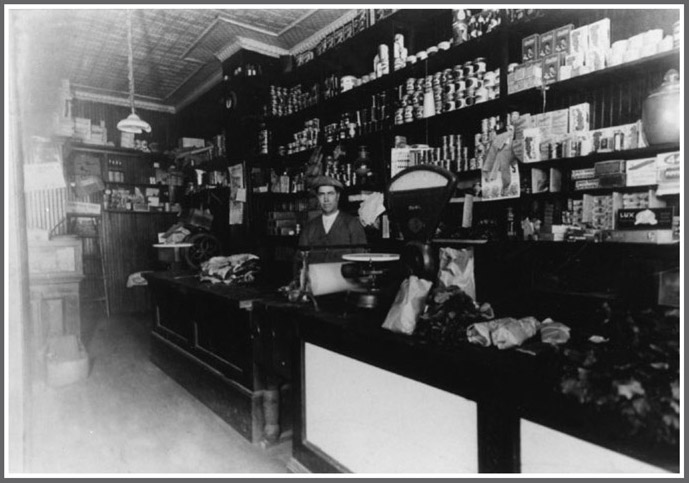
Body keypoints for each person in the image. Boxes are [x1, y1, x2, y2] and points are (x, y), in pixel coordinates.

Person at [297, 175, 367, 264]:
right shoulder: (310, 227)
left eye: (330, 194)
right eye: (322, 194)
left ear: (337, 196)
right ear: (318, 197)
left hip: (343, 277)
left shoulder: (352, 224)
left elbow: (360, 258)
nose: (326, 199)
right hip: (317, 276)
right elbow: (300, 261)